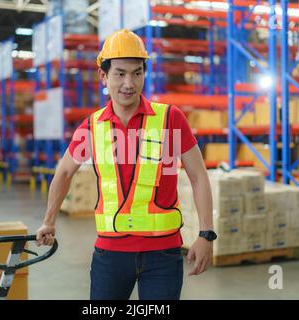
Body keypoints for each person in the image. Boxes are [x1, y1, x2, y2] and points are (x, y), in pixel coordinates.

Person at [36, 29, 215, 300]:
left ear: (145, 73)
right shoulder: (91, 127)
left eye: (137, 73)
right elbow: (63, 173)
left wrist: (206, 234)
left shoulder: (170, 119)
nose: (128, 83)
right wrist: (49, 221)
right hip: (110, 255)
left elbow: (199, 176)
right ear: (103, 76)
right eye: (120, 73)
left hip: (163, 255)